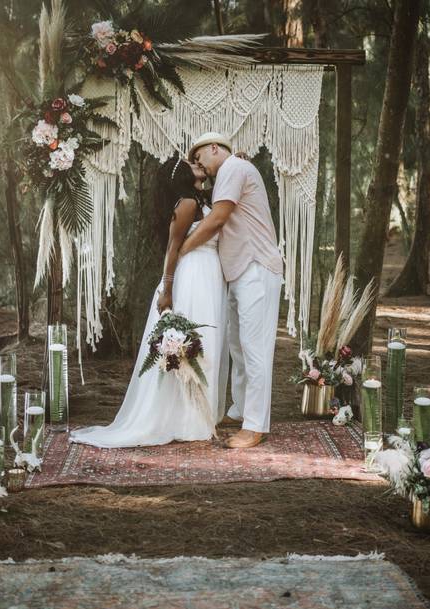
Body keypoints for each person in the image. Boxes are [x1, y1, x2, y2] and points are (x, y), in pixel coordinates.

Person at [69, 155, 229, 448]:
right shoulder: (187, 204)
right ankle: (187, 419)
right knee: (196, 344)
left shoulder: (197, 199)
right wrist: (167, 290)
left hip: (207, 276)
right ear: (181, 175)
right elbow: (172, 247)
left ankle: (197, 415)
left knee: (205, 344)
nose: (199, 165)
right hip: (192, 276)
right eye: (192, 164)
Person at [180, 132, 284, 449]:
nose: (202, 168)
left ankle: (255, 425)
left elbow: (217, 219)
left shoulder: (233, 169)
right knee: (238, 346)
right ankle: (240, 410)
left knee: (254, 348)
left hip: (256, 267)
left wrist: (182, 250)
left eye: (201, 160)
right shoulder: (231, 170)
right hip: (241, 270)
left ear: (215, 149)